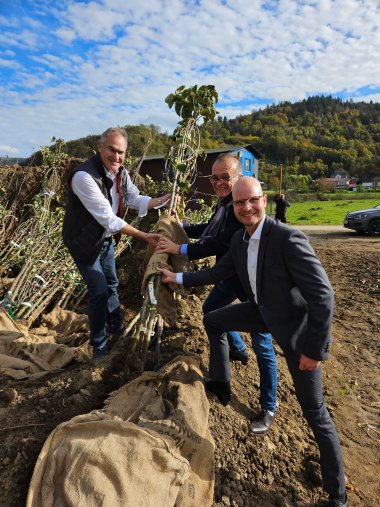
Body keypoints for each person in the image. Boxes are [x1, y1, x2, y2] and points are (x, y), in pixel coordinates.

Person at [157, 176, 348, 507]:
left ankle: (338, 496)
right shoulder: (239, 241)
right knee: (213, 318)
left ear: (263, 201)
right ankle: (221, 382)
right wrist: (178, 277)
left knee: (315, 411)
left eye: (252, 200)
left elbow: (323, 297)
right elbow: (217, 274)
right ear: (233, 207)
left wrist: (315, 350)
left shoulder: (288, 239)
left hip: (296, 330)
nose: (246, 208)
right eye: (239, 203)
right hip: (263, 312)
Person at [156, 154, 277, 435]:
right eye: (215, 177)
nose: (220, 182)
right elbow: (209, 232)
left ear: (238, 178)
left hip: (258, 289)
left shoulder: (241, 213)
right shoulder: (225, 205)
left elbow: (214, 244)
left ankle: (268, 407)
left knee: (264, 345)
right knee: (211, 312)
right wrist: (180, 227)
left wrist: (179, 250)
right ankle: (236, 351)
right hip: (232, 278)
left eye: (226, 177)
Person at [62, 127, 170, 359]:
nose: (117, 156)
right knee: (99, 290)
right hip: (83, 242)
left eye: (121, 152)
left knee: (111, 282)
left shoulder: (121, 173)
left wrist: (162, 200)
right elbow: (109, 219)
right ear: (100, 147)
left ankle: (115, 326)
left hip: (105, 239)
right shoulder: (84, 177)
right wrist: (145, 236)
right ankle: (99, 344)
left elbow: (134, 198)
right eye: (112, 149)